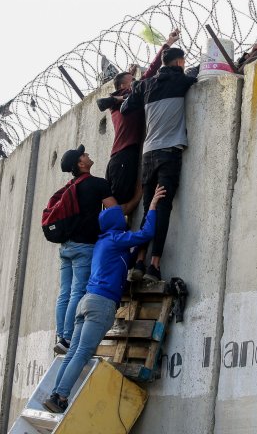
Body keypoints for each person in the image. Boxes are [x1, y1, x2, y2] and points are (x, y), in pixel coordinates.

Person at [43, 185, 166, 414]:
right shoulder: (117, 238)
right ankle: (60, 396)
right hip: (101, 304)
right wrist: (152, 206)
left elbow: (124, 264)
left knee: (73, 353)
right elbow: (147, 233)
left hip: (86, 302)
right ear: (116, 222)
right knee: (82, 353)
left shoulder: (104, 243)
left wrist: (136, 253)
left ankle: (55, 394)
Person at [120, 38, 198, 283]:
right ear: (179, 62)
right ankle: (155, 265)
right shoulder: (181, 79)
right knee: (162, 207)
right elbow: (202, 75)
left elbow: (124, 109)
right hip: (168, 154)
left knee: (148, 207)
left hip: (148, 154)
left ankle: (140, 261)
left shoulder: (144, 86)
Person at [96, 29, 182, 216]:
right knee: (120, 208)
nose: (136, 82)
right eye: (132, 80)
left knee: (117, 207)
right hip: (123, 156)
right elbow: (150, 72)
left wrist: (168, 42)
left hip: (123, 156)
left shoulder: (124, 97)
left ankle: (120, 238)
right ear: (122, 86)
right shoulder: (116, 100)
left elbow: (149, 72)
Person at [54, 145, 117, 354]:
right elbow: (115, 210)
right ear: (81, 164)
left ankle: (61, 335)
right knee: (78, 291)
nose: (88, 154)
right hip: (84, 247)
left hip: (66, 247)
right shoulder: (98, 184)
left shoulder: (68, 188)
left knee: (65, 292)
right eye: (84, 154)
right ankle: (69, 338)